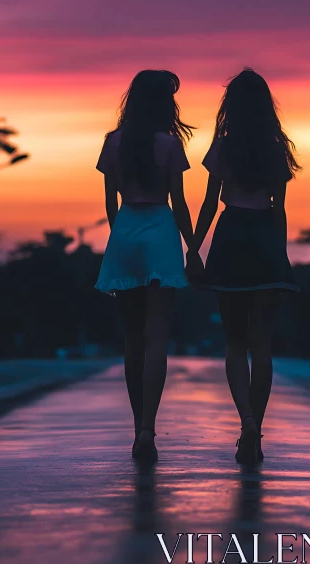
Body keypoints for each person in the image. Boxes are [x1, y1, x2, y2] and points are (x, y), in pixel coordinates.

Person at [191, 68, 301, 466]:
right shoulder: (275, 149)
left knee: (235, 343)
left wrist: (194, 248)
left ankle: (248, 423)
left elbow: (208, 204)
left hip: (231, 235)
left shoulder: (221, 147)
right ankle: (257, 427)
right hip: (264, 239)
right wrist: (280, 254)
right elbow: (280, 210)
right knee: (262, 344)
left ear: (230, 107)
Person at [95, 70, 203, 462]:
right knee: (157, 336)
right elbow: (180, 202)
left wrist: (119, 234)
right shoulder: (170, 144)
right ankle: (147, 430)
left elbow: (110, 202)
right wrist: (192, 248)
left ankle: (136, 422)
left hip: (125, 229)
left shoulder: (114, 142)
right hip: (160, 230)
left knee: (131, 337)